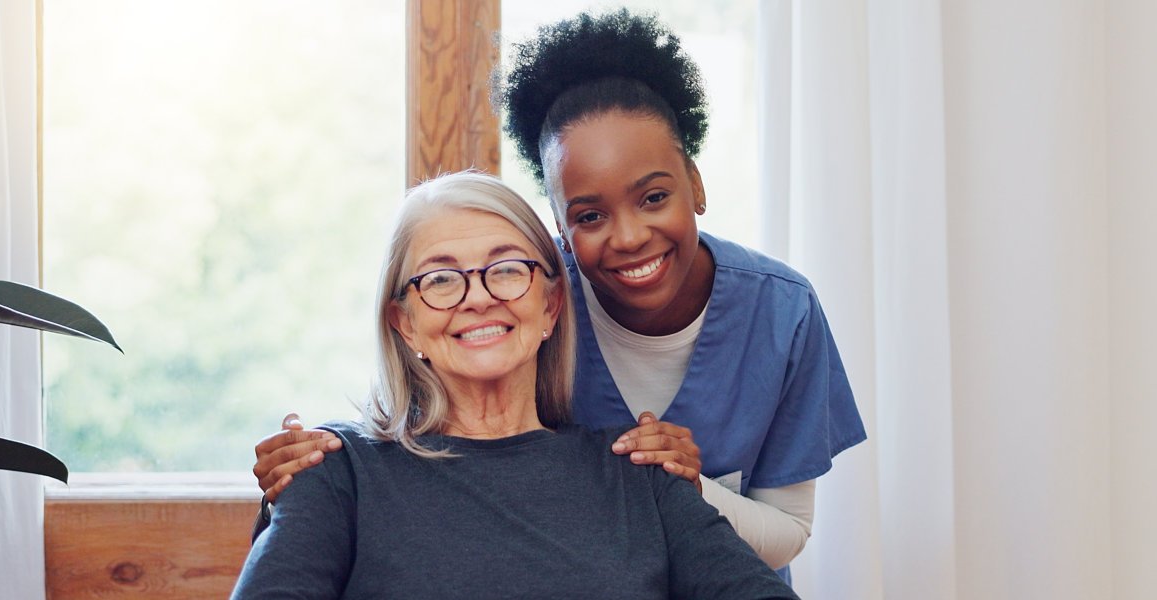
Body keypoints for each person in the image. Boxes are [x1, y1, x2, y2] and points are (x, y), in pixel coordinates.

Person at [252, 9, 866, 575]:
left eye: (654, 197)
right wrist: (322, 462)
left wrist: (685, 483)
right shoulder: (520, 298)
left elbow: (789, 529)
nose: (628, 236)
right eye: (589, 216)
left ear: (696, 185)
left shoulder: (783, 312)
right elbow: (436, 422)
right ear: (559, 230)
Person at [228, 173, 796, 599]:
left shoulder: (639, 473)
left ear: (550, 306)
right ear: (404, 323)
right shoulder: (335, 472)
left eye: (506, 269)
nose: (478, 297)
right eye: (441, 278)